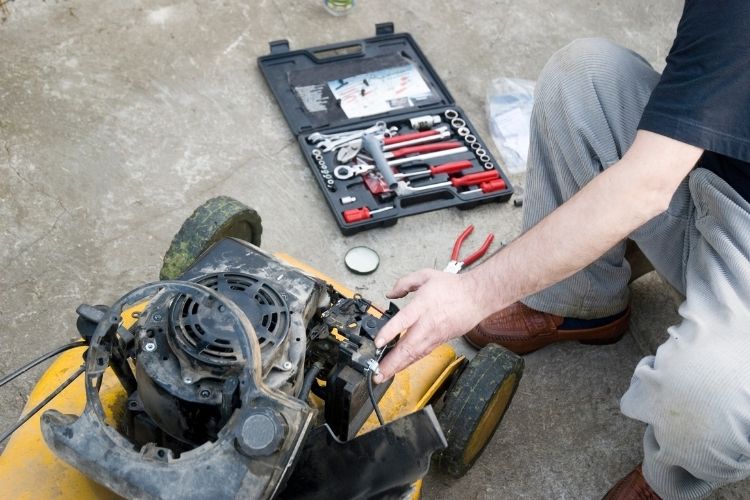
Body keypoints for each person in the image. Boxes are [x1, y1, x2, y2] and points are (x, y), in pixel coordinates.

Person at [372, 2, 750, 499]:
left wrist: (471, 294)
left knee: (705, 395)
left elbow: (644, 187)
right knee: (586, 76)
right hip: (716, 180)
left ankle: (670, 479)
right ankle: (582, 303)